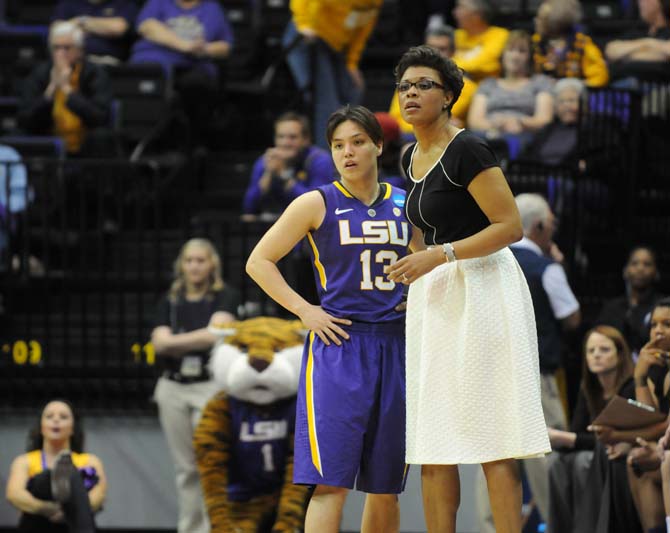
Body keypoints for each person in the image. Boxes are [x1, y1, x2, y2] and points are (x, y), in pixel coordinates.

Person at [386, 45, 550, 533]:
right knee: (434, 434)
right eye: (404, 86)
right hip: (435, 293)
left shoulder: (468, 148)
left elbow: (510, 226)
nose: (411, 93)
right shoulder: (408, 155)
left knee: (492, 432)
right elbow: (421, 234)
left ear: (449, 95)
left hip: (483, 286)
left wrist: (442, 255)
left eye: (423, 85)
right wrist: (411, 268)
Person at [247, 105, 424, 533]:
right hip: (339, 347)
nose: (348, 153)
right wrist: (307, 311)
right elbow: (259, 261)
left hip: (396, 345)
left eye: (358, 142)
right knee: (330, 484)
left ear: (378, 146)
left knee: (385, 487)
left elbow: (430, 264)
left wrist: (416, 299)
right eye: (338, 145)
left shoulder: (406, 202)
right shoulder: (316, 201)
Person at [479, 193, 578, 528]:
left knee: (491, 460)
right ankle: (556, 525)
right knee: (547, 464)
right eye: (551, 225)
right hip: (536, 377)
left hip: (492, 377)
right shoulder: (546, 268)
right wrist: (559, 265)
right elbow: (572, 318)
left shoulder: (486, 262)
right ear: (538, 227)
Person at [151, 237, 241, 533]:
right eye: (189, 260)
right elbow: (158, 343)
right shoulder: (170, 300)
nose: (194, 266)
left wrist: (175, 342)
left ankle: (217, 527)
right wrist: (197, 337)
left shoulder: (225, 295)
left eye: (200, 260)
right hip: (172, 387)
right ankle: (190, 528)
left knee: (211, 460)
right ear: (181, 265)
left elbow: (216, 335)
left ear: (212, 264)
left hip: (209, 385)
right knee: (185, 467)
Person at [547, 326, 642, 533]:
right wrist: (566, 439)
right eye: (591, 351)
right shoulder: (588, 388)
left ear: (620, 354)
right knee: (555, 463)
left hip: (616, 453)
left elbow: (607, 438)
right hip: (592, 450)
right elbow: (579, 431)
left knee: (583, 461)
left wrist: (566, 438)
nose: (596, 355)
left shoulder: (631, 387)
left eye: (604, 350)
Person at [130, 0, 234, 144]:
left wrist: (204, 49)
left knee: (197, 86)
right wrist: (185, 46)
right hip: (154, 61)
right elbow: (147, 26)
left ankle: (190, 144)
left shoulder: (211, 7)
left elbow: (226, 46)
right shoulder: (159, 2)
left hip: (193, 65)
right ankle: (138, 140)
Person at [282, 1, 382, 150]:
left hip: (334, 45)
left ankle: (351, 145)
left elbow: (362, 30)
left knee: (354, 90)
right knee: (326, 102)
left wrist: (351, 64)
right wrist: (304, 24)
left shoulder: (375, 2)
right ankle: (329, 160)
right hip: (307, 37)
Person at [5, 399, 107, 533]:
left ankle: (63, 477)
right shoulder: (24, 461)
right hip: (37, 524)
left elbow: (99, 496)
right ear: (41, 427)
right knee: (43, 479)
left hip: (72, 524)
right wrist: (47, 508)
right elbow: (14, 494)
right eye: (49, 417)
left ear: (73, 428)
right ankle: (54, 479)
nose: (56, 420)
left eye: (63, 417)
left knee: (72, 473)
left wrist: (72, 509)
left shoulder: (90, 461)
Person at [17, 21, 113, 157]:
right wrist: (50, 91)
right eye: (56, 48)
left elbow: (100, 117)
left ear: (79, 50)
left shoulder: (95, 74)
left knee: (102, 137)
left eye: (67, 48)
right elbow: (25, 118)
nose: (61, 54)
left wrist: (67, 90)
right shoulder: (40, 74)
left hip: (86, 145)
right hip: (48, 144)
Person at [467, 30, 554, 157]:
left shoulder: (540, 82)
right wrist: (497, 125)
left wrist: (521, 123)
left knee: (512, 144)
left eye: (522, 51)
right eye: (511, 50)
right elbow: (474, 121)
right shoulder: (488, 84)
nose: (515, 56)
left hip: (523, 134)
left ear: (529, 57)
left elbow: (544, 119)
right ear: (503, 55)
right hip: (488, 133)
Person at [626, 298, 670, 533]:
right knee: (636, 459)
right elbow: (648, 419)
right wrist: (640, 378)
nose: (658, 331)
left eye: (667, 324)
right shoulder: (659, 371)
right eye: (654, 325)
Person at [242, 112, 335, 217]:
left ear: (306, 139)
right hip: (274, 223)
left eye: (292, 137)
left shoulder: (320, 160)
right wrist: (268, 174)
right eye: (280, 137)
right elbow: (248, 209)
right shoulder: (266, 161)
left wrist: (284, 175)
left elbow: (317, 204)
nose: (285, 143)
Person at [389, 24, 477, 131]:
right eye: (430, 48)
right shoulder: (408, 83)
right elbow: (394, 120)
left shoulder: (466, 85)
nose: (435, 54)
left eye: (442, 49)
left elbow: (434, 120)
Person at [597, 245, 664, 358]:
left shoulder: (663, 307)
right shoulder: (611, 308)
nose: (640, 268)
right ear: (625, 271)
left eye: (647, 264)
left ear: (656, 272)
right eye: (634, 263)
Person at [531, 0, 609, 87]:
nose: (536, 21)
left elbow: (600, 76)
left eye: (541, 18)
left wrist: (574, 85)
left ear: (556, 21)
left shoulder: (581, 43)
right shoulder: (535, 42)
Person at [51, 0, 139, 64]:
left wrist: (80, 22)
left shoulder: (122, 3)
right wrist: (99, 27)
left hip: (105, 62)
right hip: (70, 60)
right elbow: (56, 30)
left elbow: (118, 28)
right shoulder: (70, 3)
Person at [605, 0, 670, 84]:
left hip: (657, 90)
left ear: (659, 3)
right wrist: (647, 43)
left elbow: (667, 53)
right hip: (621, 89)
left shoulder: (667, 32)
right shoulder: (637, 32)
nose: (640, 3)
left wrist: (624, 57)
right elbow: (611, 50)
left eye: (645, 1)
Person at [451, 0, 509, 82]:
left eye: (461, 7)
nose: (454, 13)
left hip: (486, 88)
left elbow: (484, 63)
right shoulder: (457, 35)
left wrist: (449, 67)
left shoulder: (499, 35)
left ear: (477, 15)